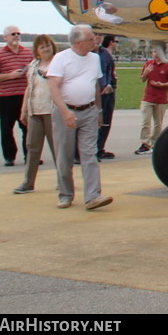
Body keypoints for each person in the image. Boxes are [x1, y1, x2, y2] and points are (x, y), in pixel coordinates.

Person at [47, 25, 112, 211]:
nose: (95, 41)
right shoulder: (61, 59)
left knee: (89, 154)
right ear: (78, 42)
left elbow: (96, 86)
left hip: (89, 110)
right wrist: (65, 112)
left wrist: (98, 111)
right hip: (65, 111)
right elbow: (54, 88)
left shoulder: (95, 58)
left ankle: (93, 196)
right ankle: (65, 194)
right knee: (64, 156)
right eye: (91, 38)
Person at [14, 35, 59, 193]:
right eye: (42, 47)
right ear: (37, 51)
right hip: (36, 111)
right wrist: (24, 109)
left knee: (57, 148)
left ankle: (63, 180)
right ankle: (28, 182)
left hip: (53, 111)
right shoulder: (33, 65)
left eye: (48, 45)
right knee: (32, 147)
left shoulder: (58, 63)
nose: (46, 49)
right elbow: (29, 87)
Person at [0, 25, 32, 166]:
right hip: (6, 97)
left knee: (28, 127)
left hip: (24, 95)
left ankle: (30, 156)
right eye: (13, 34)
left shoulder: (28, 53)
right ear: (5, 37)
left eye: (18, 33)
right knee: (7, 128)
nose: (16, 36)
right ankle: (9, 157)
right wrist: (10, 76)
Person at [136, 44, 168, 154]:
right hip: (148, 97)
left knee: (158, 123)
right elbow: (143, 79)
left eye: (157, 51)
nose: (155, 54)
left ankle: (154, 143)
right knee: (145, 121)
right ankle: (145, 143)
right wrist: (146, 73)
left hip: (161, 98)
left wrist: (162, 84)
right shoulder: (149, 64)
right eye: (154, 51)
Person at [95, 35, 118, 160]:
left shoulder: (105, 54)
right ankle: (93, 150)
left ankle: (100, 148)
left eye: (100, 35)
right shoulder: (90, 54)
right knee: (95, 120)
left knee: (106, 120)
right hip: (95, 91)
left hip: (107, 90)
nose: (98, 37)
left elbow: (109, 71)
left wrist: (109, 83)